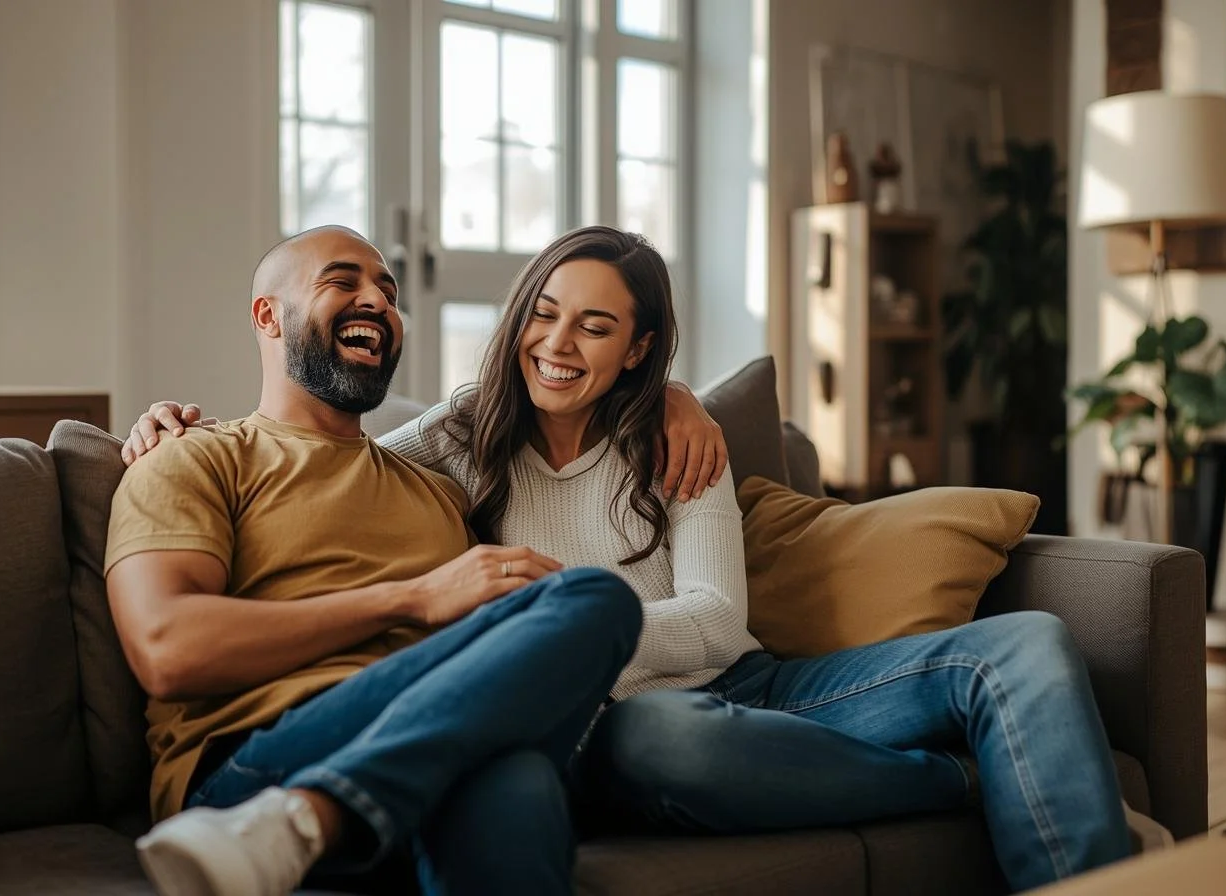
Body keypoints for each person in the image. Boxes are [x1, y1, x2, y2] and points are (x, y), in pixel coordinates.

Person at [128, 224, 1141, 892]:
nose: (559, 341)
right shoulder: (450, 445)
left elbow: (715, 622)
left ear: (635, 347)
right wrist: (167, 421)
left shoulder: (670, 439)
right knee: (618, 680)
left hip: (744, 678)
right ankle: (974, 780)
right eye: (543, 312)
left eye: (597, 325)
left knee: (1025, 641)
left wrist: (677, 399)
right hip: (628, 719)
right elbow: (319, 460)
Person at [104, 224, 647, 896]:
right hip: (254, 758)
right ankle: (289, 815)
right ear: (267, 315)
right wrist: (410, 598)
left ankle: (310, 821)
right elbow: (168, 652)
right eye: (343, 281)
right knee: (592, 602)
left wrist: (673, 400)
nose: (377, 303)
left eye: (388, 293)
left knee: (519, 773)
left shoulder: (436, 490)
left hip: (429, 744)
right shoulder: (194, 458)